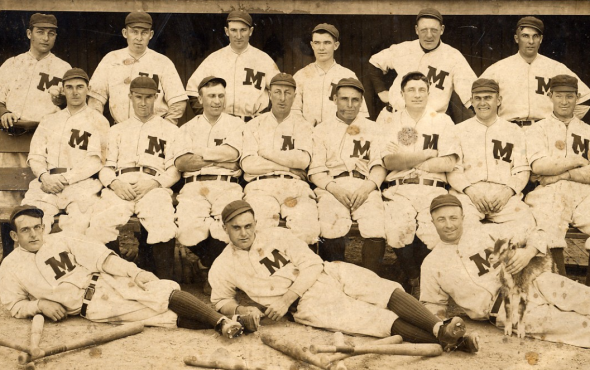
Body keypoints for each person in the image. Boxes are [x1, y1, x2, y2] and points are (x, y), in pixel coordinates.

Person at [208, 200, 478, 352]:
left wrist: (286, 296)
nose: (244, 233)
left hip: (327, 272)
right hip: (307, 304)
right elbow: (220, 300)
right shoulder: (223, 265)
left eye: (248, 226)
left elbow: (312, 264)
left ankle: (438, 328)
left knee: (382, 289)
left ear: (255, 223)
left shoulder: (277, 234)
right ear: (225, 229)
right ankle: (451, 338)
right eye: (236, 228)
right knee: (374, 319)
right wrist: (242, 308)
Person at [0, 205, 243, 338]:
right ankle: (234, 322)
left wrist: (134, 272)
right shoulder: (10, 267)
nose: (33, 235)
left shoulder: (61, 239)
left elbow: (102, 258)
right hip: (93, 308)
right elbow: (14, 305)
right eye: (25, 230)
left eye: (37, 228)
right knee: (160, 319)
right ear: (14, 235)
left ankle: (222, 322)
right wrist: (39, 305)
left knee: (160, 291)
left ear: (43, 227)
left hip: (106, 282)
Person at [421, 194, 590, 348]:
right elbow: (433, 305)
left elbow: (536, 231)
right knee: (574, 327)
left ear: (463, 218)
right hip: (504, 309)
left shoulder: (485, 233)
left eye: (453, 218)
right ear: (433, 222)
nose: (449, 225)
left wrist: (528, 252)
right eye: (441, 219)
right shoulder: (431, 264)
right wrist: (443, 329)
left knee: (583, 296)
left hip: (535, 282)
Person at [85, 77, 179, 280]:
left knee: (162, 222)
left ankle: (165, 284)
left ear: (156, 97)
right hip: (121, 185)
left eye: (148, 98)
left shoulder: (170, 130)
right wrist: (115, 183)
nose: (143, 103)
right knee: (102, 222)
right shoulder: (117, 130)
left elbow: (174, 169)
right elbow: (105, 167)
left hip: (153, 185)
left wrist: (154, 183)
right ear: (130, 97)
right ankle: (112, 279)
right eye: (138, 97)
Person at [0, 13, 71, 257]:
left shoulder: (63, 68)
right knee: (8, 201)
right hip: (12, 138)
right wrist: (4, 112)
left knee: (37, 200)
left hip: (44, 144)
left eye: (51, 33)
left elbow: (70, 109)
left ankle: (37, 258)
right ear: (29, 33)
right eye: (40, 31)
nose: (46, 37)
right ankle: (10, 257)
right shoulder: (12, 64)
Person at [380, 71, 455, 294]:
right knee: (398, 227)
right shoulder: (390, 121)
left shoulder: (442, 121)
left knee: (432, 231)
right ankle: (414, 277)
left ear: (429, 93)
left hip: (432, 187)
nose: (417, 94)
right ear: (402, 94)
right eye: (411, 90)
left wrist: (408, 159)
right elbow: (389, 161)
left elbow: (449, 162)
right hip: (399, 188)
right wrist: (427, 155)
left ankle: (419, 278)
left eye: (422, 89)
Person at [173, 76, 244, 293]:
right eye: (211, 96)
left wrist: (200, 154)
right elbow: (181, 162)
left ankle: (210, 273)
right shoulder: (187, 128)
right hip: (194, 186)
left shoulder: (236, 124)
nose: (216, 101)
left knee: (226, 228)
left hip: (227, 184)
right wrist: (219, 158)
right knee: (187, 230)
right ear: (201, 99)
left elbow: (234, 154)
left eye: (221, 96)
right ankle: (209, 265)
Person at [308, 78, 386, 274]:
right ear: (335, 99)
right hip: (333, 185)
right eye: (344, 99)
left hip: (364, 185)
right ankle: (335, 279)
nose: (350, 105)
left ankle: (370, 280)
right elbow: (316, 170)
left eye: (355, 100)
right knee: (330, 223)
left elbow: (380, 166)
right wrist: (334, 189)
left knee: (376, 224)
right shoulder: (321, 129)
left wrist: (367, 188)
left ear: (361, 102)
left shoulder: (374, 128)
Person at [446, 78, 536, 246]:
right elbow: (453, 170)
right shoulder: (458, 130)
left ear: (498, 100)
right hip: (468, 194)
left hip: (504, 194)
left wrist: (507, 192)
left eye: (488, 97)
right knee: (464, 230)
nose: (482, 103)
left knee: (526, 224)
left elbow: (522, 170)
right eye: (477, 98)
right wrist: (470, 191)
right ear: (471, 101)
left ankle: (510, 269)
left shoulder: (514, 131)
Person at [22, 68, 109, 235]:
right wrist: (44, 177)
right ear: (63, 90)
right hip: (47, 182)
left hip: (81, 184)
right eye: (69, 87)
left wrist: (63, 179)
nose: (75, 92)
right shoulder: (49, 120)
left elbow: (96, 161)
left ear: (88, 89)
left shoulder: (98, 120)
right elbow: (35, 156)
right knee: (31, 221)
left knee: (79, 224)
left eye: (80, 87)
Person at [241, 73, 320, 245]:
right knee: (261, 229)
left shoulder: (303, 125)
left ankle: (297, 269)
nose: (282, 98)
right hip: (260, 186)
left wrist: (265, 153)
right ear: (269, 94)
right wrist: (288, 166)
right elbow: (248, 164)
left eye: (287, 93)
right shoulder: (254, 124)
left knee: (307, 230)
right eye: (277, 92)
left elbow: (302, 161)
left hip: (295, 187)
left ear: (295, 96)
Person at [524, 75, 590, 276]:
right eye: (559, 96)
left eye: (569, 96)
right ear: (550, 96)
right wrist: (576, 161)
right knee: (549, 226)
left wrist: (561, 174)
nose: (564, 101)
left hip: (583, 192)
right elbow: (540, 165)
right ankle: (559, 286)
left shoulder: (587, 130)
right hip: (549, 191)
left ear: (577, 97)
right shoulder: (537, 129)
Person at [480, 16, 590, 127]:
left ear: (541, 39)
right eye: (525, 36)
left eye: (535, 36)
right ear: (516, 38)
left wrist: (563, 124)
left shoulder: (556, 68)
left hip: (545, 130)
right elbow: (478, 101)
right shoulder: (498, 68)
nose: (531, 41)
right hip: (510, 129)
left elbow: (584, 99)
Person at [368, 8, 476, 119]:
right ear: (416, 30)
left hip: (430, 121)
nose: (429, 35)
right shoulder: (403, 48)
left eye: (434, 30)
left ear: (442, 29)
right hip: (394, 115)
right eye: (424, 30)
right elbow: (374, 62)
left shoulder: (453, 57)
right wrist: (381, 91)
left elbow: (472, 95)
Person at [88, 12, 188, 125]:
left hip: (154, 129)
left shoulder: (163, 62)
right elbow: (95, 99)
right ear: (125, 33)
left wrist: (165, 127)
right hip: (120, 128)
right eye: (134, 32)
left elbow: (178, 101)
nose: (139, 38)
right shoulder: (111, 59)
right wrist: (99, 126)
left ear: (151, 34)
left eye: (144, 33)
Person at [185, 10, 280, 120]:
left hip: (254, 123)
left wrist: (268, 119)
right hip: (223, 123)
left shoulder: (264, 59)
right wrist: (208, 118)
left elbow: (280, 91)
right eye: (234, 30)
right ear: (226, 31)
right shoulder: (214, 59)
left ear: (251, 31)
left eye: (243, 30)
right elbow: (192, 91)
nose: (238, 36)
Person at [292, 23, 369, 126]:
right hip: (309, 134)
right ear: (312, 45)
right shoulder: (301, 75)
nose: (321, 48)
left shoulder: (347, 75)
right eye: (317, 43)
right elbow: (293, 111)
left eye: (327, 43)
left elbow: (361, 114)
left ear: (336, 45)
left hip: (339, 135)